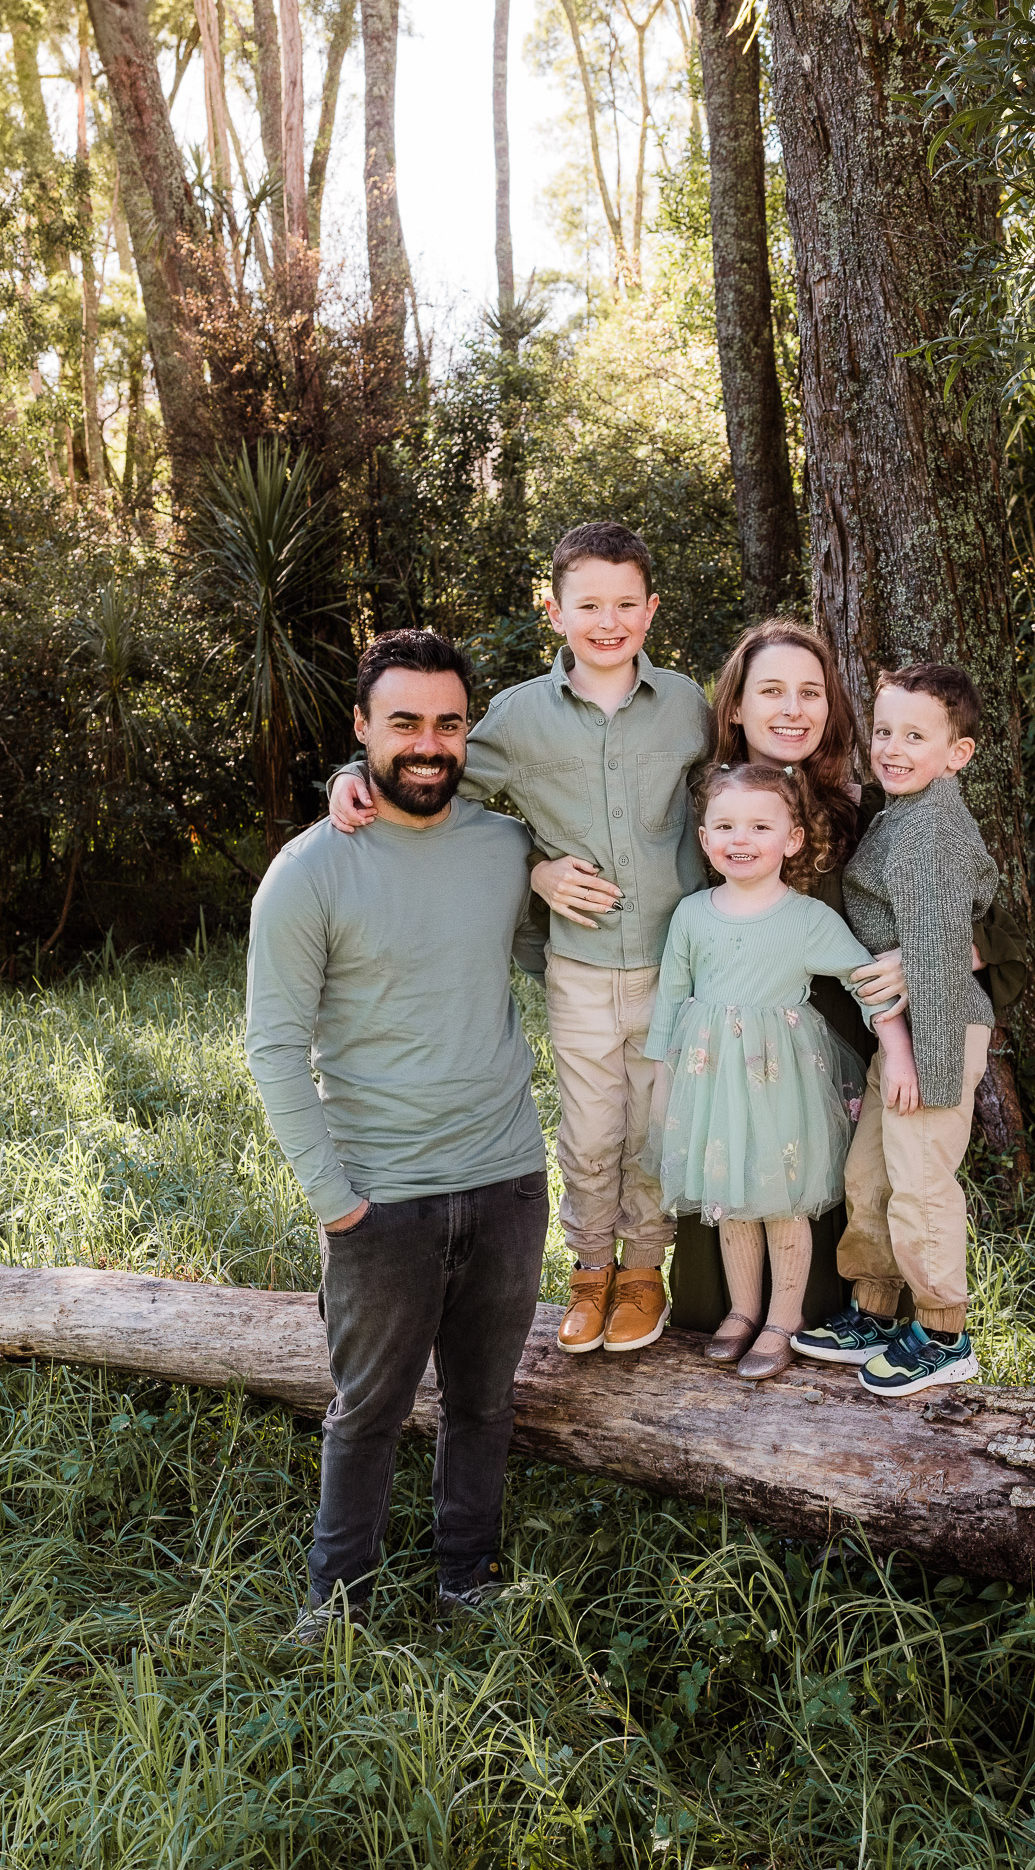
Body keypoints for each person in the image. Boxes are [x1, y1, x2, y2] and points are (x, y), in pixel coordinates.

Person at [327, 523, 711, 1358]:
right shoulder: (518, 718)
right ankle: (589, 1269)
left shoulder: (686, 705)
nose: (607, 621)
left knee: (658, 1128)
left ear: (650, 610)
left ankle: (644, 1272)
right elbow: (438, 774)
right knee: (590, 1131)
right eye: (587, 605)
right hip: (577, 966)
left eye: (624, 604)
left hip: (678, 964)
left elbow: (739, 792)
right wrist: (350, 778)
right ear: (554, 611)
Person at [245, 629, 551, 1640]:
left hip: (507, 1176)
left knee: (484, 1406)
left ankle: (469, 1581)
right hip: (380, 1195)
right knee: (367, 1414)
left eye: (448, 724)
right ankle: (336, 1607)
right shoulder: (309, 871)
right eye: (405, 723)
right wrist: (335, 1199)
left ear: (470, 731)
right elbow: (275, 1048)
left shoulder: (509, 850)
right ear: (364, 731)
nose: (429, 745)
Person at [669, 617, 1026, 1335]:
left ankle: (899, 1325)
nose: (793, 709)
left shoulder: (875, 809)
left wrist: (944, 953)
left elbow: (998, 925)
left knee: (835, 1263)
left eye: (812, 692)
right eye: (771, 690)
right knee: (711, 1307)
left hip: (844, 1063)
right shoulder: (698, 809)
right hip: (728, 1069)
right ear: (735, 704)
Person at [642, 764, 916, 1379]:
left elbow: (866, 982)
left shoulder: (807, 919)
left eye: (760, 826)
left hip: (779, 1079)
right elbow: (671, 997)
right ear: (707, 840)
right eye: (726, 826)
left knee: (782, 1201)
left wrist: (895, 1047)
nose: (742, 839)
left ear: (792, 839)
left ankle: (783, 1318)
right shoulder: (693, 914)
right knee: (732, 1198)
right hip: (713, 1080)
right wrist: (664, 1075)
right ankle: (741, 1311)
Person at [793, 663, 998, 1395]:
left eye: (916, 735)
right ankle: (875, 1310)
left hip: (936, 1036)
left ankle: (944, 1332)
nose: (893, 747)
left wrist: (925, 1067)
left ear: (956, 753)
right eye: (883, 731)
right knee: (870, 1177)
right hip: (902, 1038)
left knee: (918, 1185)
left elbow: (940, 953)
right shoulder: (900, 812)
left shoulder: (932, 828)